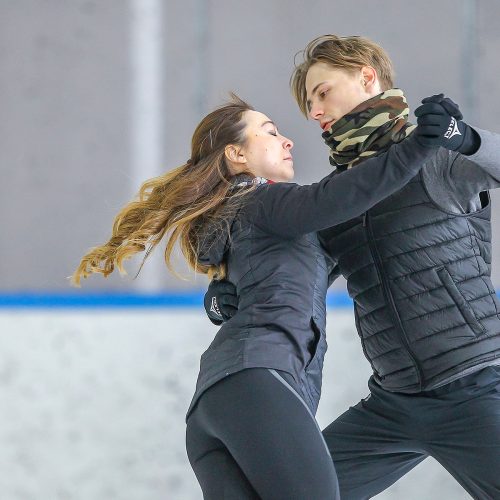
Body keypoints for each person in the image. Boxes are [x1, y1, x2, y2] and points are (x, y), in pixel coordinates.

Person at [71, 91, 451, 499]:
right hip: (259, 383)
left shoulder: (251, 219)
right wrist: (421, 144)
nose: (288, 140)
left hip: (217, 404)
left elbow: (316, 246)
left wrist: (220, 295)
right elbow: (338, 198)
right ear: (236, 154)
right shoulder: (262, 202)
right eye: (270, 132)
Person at [205, 35, 500, 499]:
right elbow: (300, 274)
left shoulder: (438, 159)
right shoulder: (335, 198)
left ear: (367, 77)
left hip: (475, 383)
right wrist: (235, 288)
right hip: (394, 403)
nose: (314, 113)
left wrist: (466, 139)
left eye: (322, 93)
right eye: (308, 104)